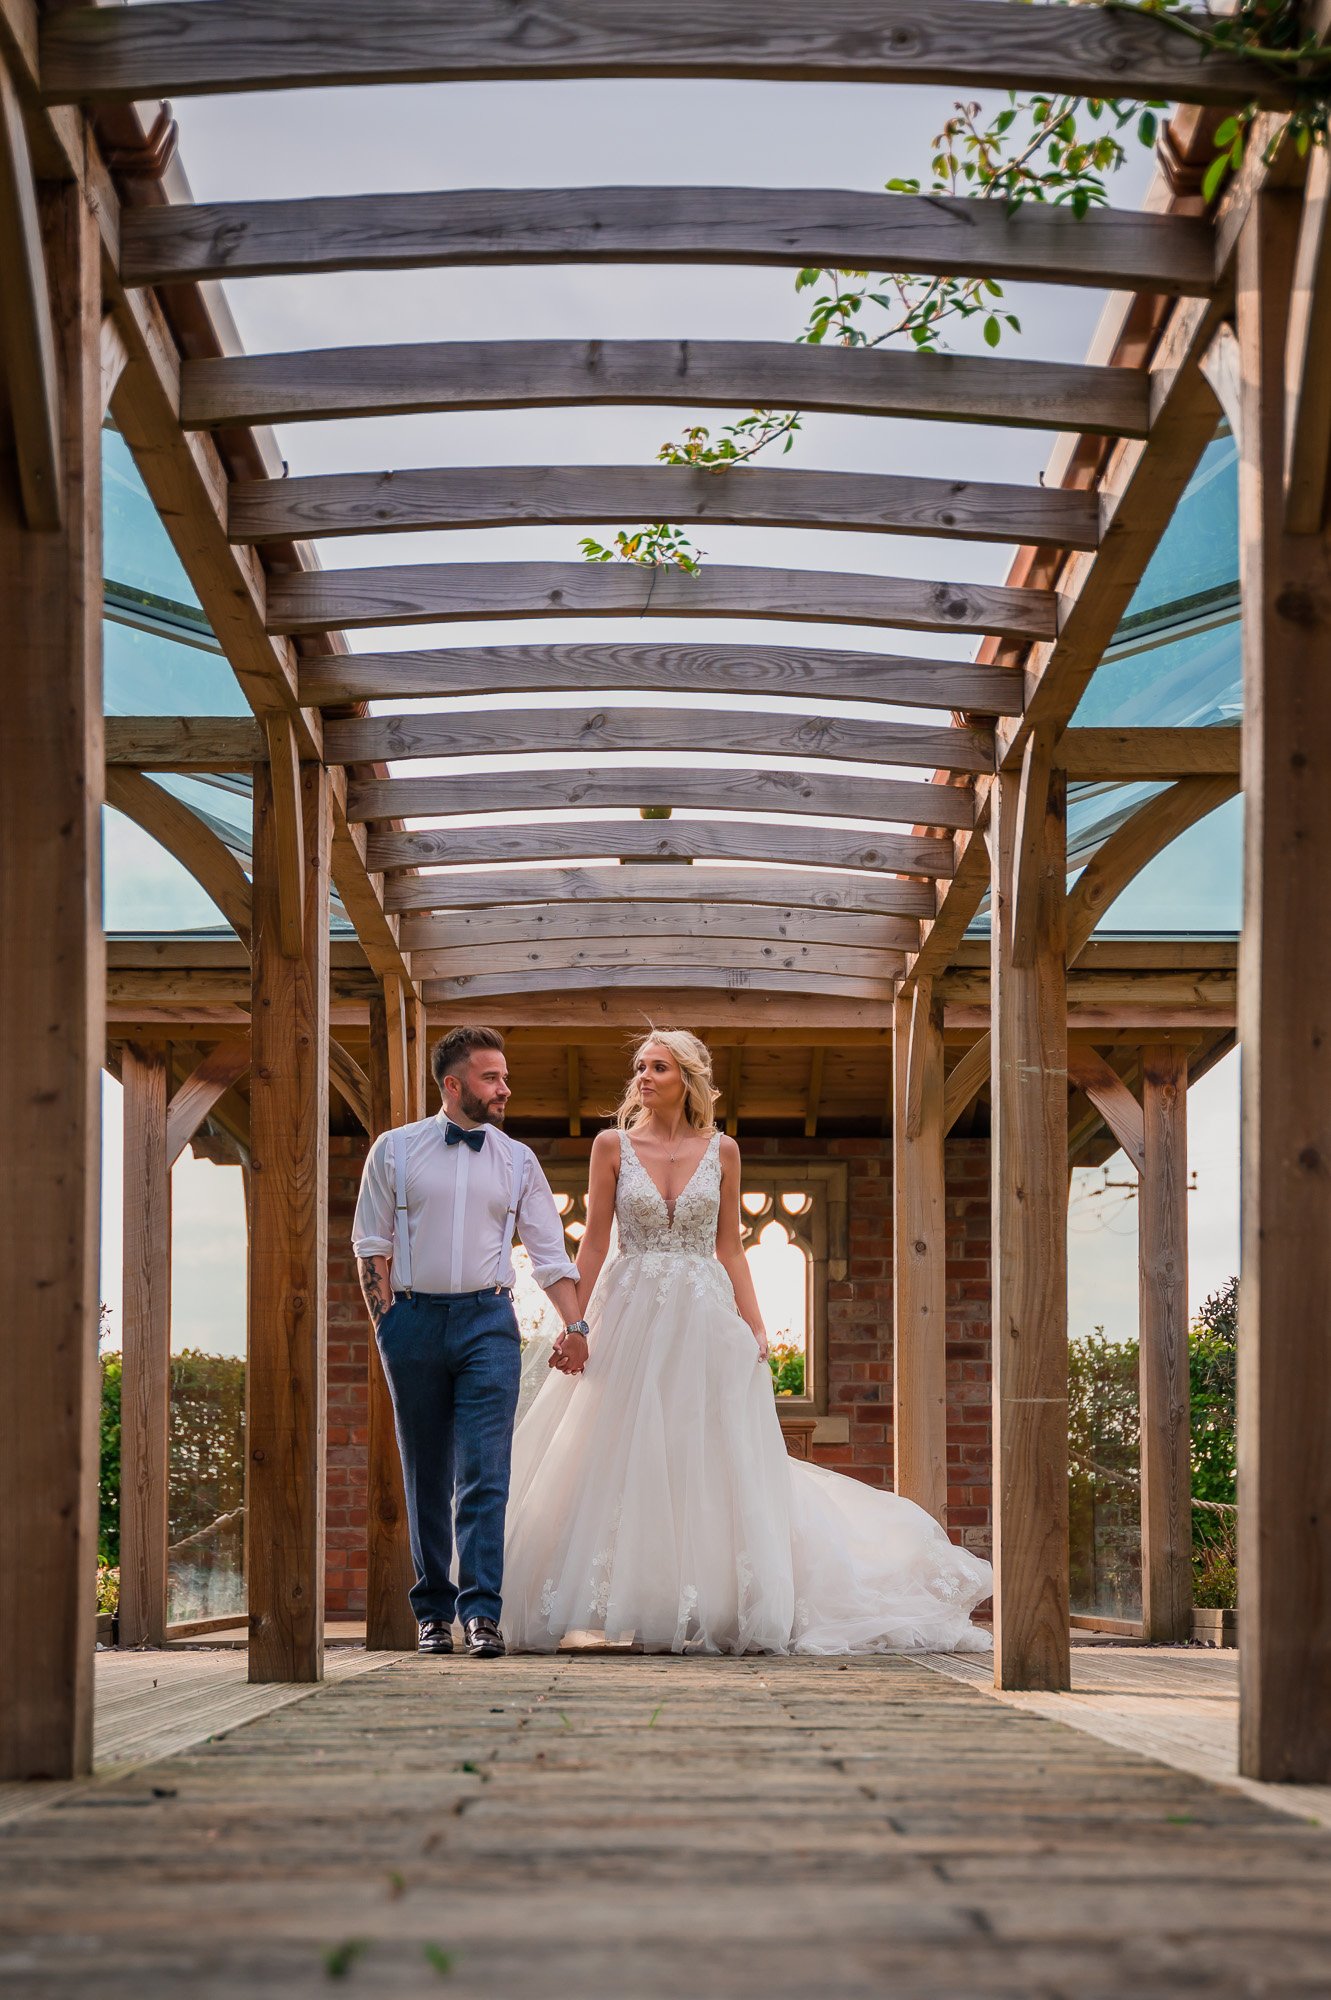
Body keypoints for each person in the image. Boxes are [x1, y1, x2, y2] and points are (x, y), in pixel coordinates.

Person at [502, 1029, 993, 1655]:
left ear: (687, 1078)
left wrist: (757, 1325)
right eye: (641, 1068)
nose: (644, 1077)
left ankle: (711, 1601)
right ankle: (618, 1598)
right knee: (616, 1450)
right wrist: (578, 1325)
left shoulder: (723, 1150)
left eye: (658, 1067)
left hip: (703, 1317)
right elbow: (594, 1243)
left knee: (706, 1453)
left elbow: (730, 1245)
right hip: (628, 1313)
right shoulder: (611, 1146)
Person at [352, 1025, 590, 1659]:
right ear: (453, 1085)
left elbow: (549, 1254)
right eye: (492, 1077)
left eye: (504, 1076)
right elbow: (371, 1245)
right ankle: (432, 1613)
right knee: (426, 1471)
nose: (505, 1088)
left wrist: (576, 1325)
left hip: (489, 1324)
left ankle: (482, 1612)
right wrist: (386, 1325)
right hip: (413, 1324)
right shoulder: (394, 1151)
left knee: (486, 1472)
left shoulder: (518, 1161)